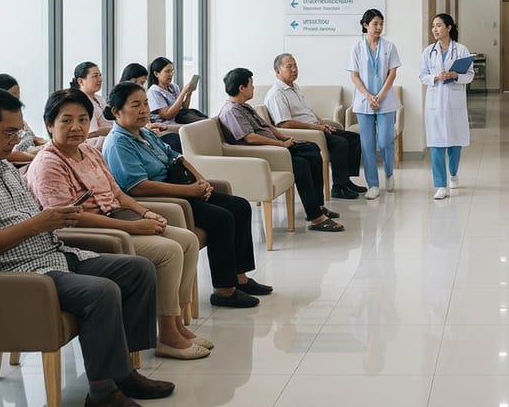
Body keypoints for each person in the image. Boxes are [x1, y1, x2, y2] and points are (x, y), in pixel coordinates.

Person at [0, 87, 174, 407]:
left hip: (50, 256)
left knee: (137, 269)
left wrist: (48, 222)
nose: (17, 140)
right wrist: (37, 224)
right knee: (102, 292)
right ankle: (103, 394)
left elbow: (32, 218)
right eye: (10, 132)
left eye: (19, 131)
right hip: (10, 275)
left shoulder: (2, 166)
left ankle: (122, 371)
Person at [27, 89, 210, 359]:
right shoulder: (48, 164)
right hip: (90, 234)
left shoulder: (88, 151)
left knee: (187, 240)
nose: (76, 127)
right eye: (66, 121)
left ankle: (175, 322)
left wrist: (144, 213)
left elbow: (118, 193)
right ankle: (168, 334)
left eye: (82, 119)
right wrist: (134, 227)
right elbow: (68, 218)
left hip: (117, 220)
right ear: (49, 125)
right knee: (168, 251)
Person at [101, 82, 273, 308]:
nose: (144, 110)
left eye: (145, 103)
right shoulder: (118, 143)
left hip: (180, 188)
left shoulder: (143, 132)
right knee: (221, 218)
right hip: (162, 201)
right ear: (116, 111)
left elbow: (175, 155)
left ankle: (239, 277)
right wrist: (189, 190)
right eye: (136, 105)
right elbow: (138, 187)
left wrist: (200, 179)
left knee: (240, 206)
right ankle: (224, 290)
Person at [220, 67, 344, 232]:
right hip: (264, 154)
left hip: (275, 148)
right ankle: (316, 218)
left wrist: (284, 138)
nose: (253, 87)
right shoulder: (231, 111)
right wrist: (280, 145)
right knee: (301, 165)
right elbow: (250, 138)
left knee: (313, 150)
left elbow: (267, 126)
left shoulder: (245, 107)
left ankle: (317, 206)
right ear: (241, 88)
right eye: (251, 84)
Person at [265, 53, 366, 199]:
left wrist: (322, 123)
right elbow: (284, 123)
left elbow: (308, 112)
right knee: (340, 143)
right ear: (277, 71)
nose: (294, 69)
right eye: (289, 66)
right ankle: (338, 188)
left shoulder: (295, 88)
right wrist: (317, 128)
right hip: (306, 133)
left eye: (295, 65)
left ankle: (345, 180)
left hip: (316, 128)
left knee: (353, 138)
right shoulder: (277, 94)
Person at [347, 9, 402, 199]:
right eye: (375, 24)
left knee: (386, 141)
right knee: (367, 145)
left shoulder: (389, 47)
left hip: (385, 101)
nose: (379, 27)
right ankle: (373, 185)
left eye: (381, 23)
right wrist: (369, 96)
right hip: (364, 103)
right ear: (365, 25)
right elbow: (354, 75)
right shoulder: (356, 48)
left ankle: (389, 173)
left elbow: (392, 74)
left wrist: (379, 96)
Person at [419, 13, 474, 199]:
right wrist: (436, 77)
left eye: (439, 25)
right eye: (433, 26)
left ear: (449, 28)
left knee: (455, 144)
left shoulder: (461, 50)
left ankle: (453, 173)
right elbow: (422, 76)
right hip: (434, 103)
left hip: (454, 103)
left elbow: (470, 75)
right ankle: (440, 185)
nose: (435, 29)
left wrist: (455, 76)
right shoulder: (428, 51)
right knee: (436, 144)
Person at [0, 73, 47, 164]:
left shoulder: (20, 121)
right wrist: (40, 158)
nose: (16, 102)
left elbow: (35, 139)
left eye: (18, 98)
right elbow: (9, 154)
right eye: (12, 98)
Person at [147, 56, 207, 124]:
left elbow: (184, 108)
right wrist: (183, 92)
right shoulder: (154, 91)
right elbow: (167, 115)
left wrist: (188, 94)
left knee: (203, 122)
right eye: (167, 71)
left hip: (180, 120)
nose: (171, 74)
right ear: (156, 74)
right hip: (167, 125)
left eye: (172, 71)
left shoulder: (174, 87)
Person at [71, 61, 114, 149]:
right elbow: (91, 137)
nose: (100, 79)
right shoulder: (81, 103)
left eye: (100, 75)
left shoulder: (100, 99)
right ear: (80, 81)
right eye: (95, 76)